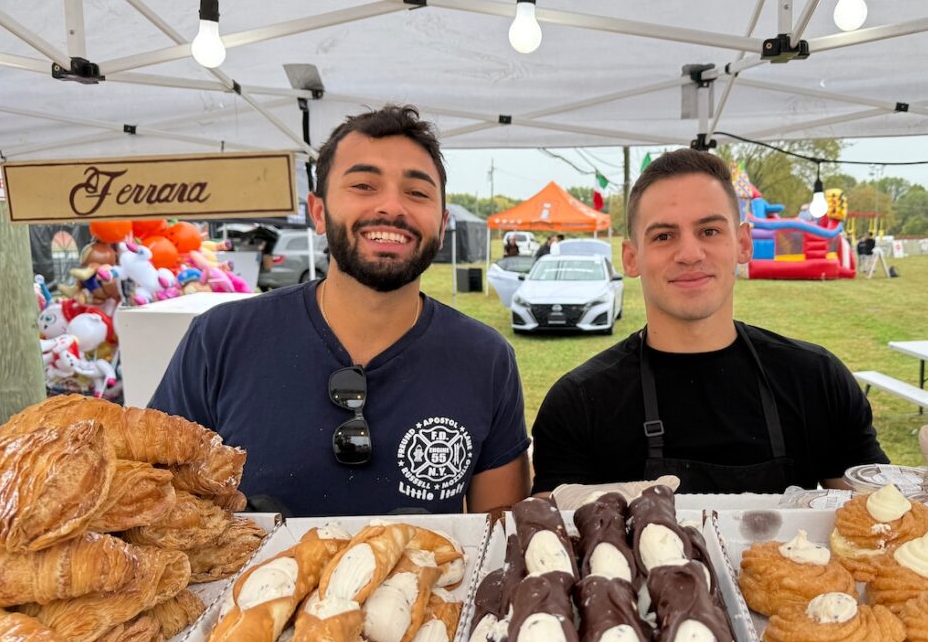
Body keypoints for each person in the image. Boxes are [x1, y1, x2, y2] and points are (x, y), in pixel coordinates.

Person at [150, 105, 531, 516]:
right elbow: (153, 504)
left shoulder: (485, 359)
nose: (391, 207)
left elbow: (500, 543)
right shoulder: (219, 340)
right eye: (364, 185)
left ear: (441, 225)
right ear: (318, 212)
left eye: (417, 192)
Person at [530, 149, 889, 495]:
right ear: (631, 258)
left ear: (743, 244)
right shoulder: (579, 404)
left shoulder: (817, 381)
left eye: (710, 231)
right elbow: (546, 541)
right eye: (664, 236)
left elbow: (882, 522)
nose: (689, 254)